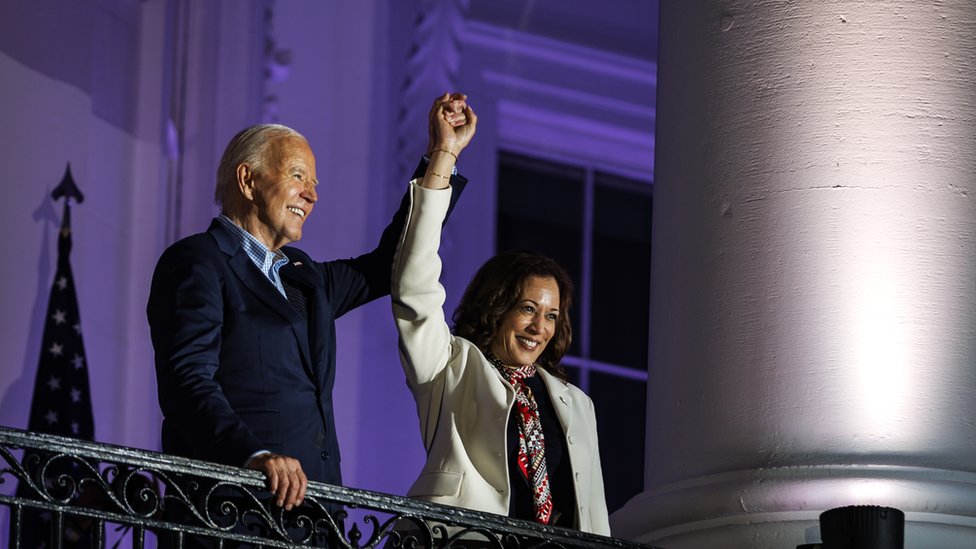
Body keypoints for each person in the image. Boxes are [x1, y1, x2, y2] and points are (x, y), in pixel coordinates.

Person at [146, 92, 474, 526]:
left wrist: (443, 154)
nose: (312, 195)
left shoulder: (304, 277)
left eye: (315, 184)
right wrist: (254, 455)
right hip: (232, 514)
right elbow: (186, 383)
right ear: (248, 181)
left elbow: (388, 264)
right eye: (299, 176)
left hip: (315, 518)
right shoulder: (198, 262)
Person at [390, 113, 610, 535]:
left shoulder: (577, 405)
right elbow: (413, 284)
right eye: (527, 309)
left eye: (551, 316)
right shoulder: (450, 368)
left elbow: (593, 515)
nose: (538, 327)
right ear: (496, 306)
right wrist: (445, 154)